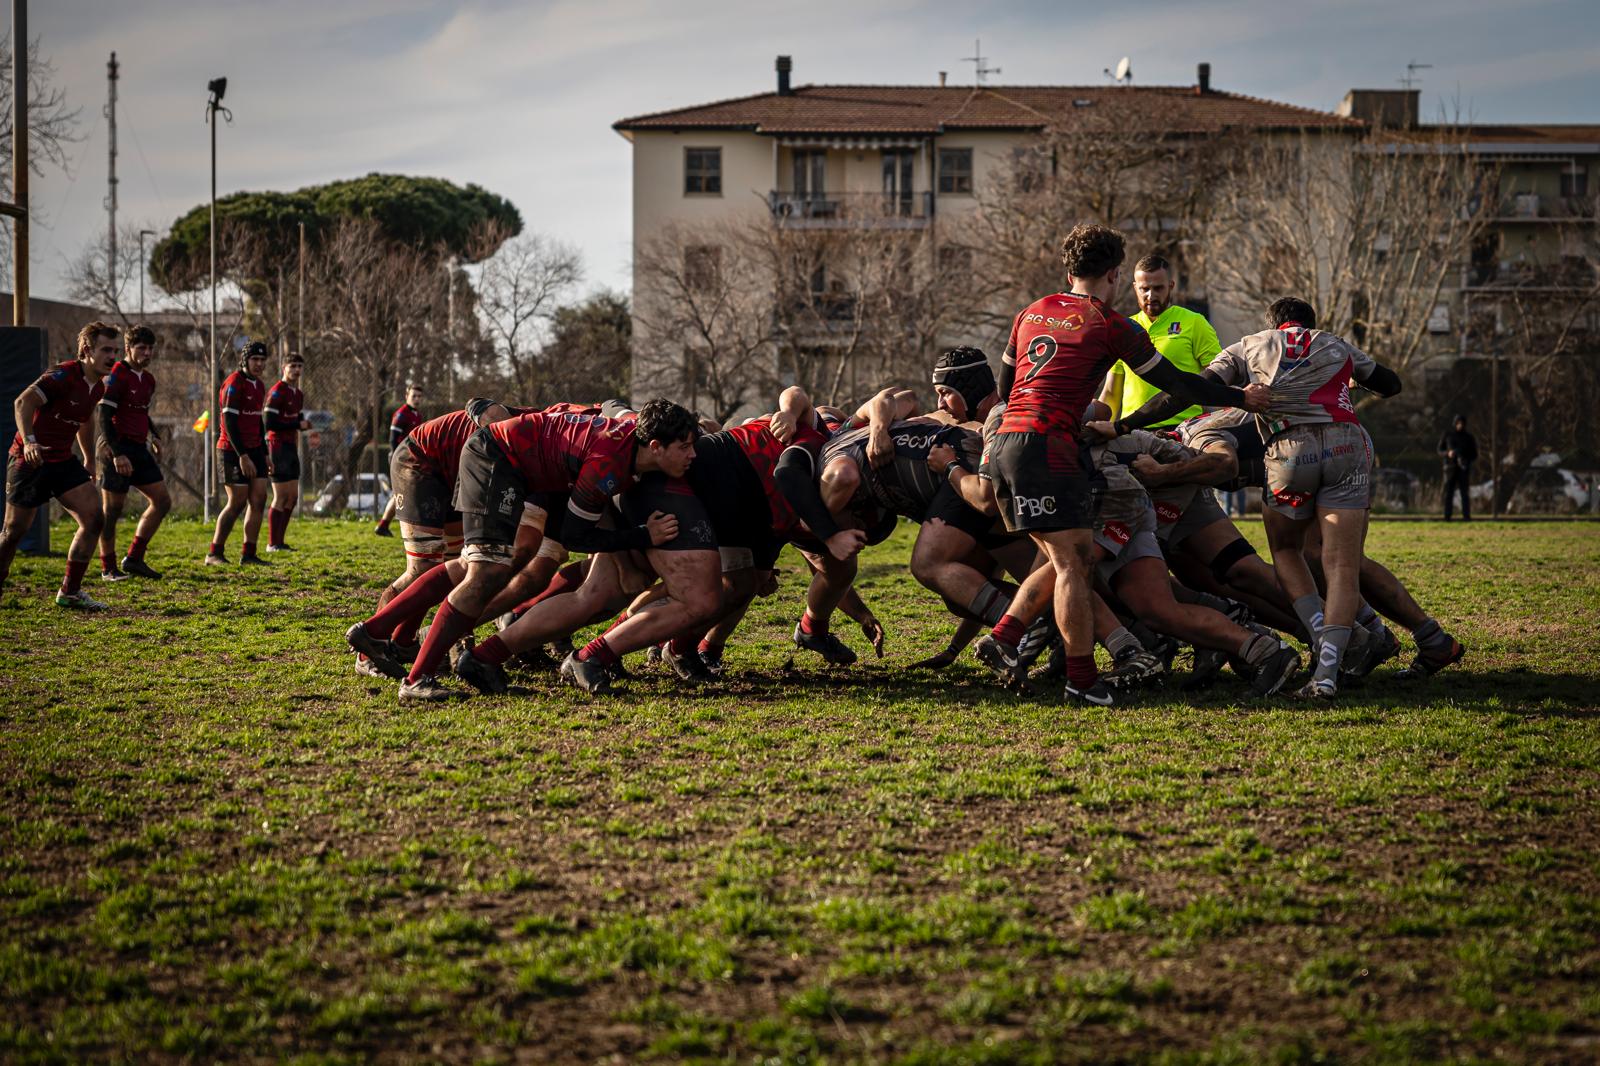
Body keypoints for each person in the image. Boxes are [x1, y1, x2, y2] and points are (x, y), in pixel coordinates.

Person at [979, 223, 1268, 705]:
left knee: (1060, 559)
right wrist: (1242, 396)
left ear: (1069, 271)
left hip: (1008, 443)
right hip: (1051, 448)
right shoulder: (1110, 324)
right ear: (1115, 274)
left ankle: (1009, 638)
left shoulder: (1032, 311)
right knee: (1073, 566)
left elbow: (1007, 388)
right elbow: (1181, 386)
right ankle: (1080, 679)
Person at [1198, 297, 1403, 699]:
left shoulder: (1251, 343)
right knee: (1342, 565)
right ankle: (1327, 674)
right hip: (1346, 444)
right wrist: (1352, 380)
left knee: (1286, 550)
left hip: (1291, 448)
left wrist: (1242, 396)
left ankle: (1319, 633)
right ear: (1311, 323)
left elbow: (1203, 383)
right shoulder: (1335, 343)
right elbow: (1390, 384)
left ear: (1272, 324)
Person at [0, 321, 120, 608]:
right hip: (30, 460)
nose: (112, 357)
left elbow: (84, 421)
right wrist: (29, 442)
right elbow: (22, 403)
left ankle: (70, 592)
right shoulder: (63, 375)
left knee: (94, 519)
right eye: (106, 350)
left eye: (115, 351)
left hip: (62, 460)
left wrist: (88, 458)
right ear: (87, 350)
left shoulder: (97, 387)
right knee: (13, 532)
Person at [1100, 253, 1224, 428]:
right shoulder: (1123, 328)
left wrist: (1217, 427)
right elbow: (1111, 392)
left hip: (1183, 429)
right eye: (1144, 289)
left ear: (1171, 286)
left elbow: (1217, 379)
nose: (1151, 295)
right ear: (1135, 287)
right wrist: (1101, 429)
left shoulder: (1195, 322)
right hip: (1131, 431)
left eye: (1158, 288)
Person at [95, 324, 170, 580]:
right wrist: (117, 453)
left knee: (162, 501)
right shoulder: (116, 374)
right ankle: (108, 567)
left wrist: (155, 435)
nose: (147, 353)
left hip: (139, 448)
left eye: (150, 348)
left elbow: (141, 412)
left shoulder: (148, 379)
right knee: (112, 511)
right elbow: (104, 416)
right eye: (141, 348)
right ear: (128, 348)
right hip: (116, 447)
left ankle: (134, 559)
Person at [207, 341, 271, 566]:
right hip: (232, 450)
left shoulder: (259, 385)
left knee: (259, 499)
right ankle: (214, 553)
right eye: (255, 359)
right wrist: (242, 455)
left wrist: (264, 453)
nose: (259, 364)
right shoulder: (234, 382)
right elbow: (229, 422)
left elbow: (258, 421)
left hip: (255, 449)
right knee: (237, 502)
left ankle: (249, 554)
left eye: (262, 360)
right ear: (245, 360)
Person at [264, 353, 311, 552]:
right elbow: (269, 423)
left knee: (292, 497)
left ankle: (280, 542)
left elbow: (297, 418)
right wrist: (297, 425)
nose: (297, 370)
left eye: (299, 366)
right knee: (281, 496)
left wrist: (305, 425)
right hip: (277, 446)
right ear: (284, 367)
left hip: (291, 446)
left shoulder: (298, 394)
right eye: (293, 366)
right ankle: (272, 543)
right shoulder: (277, 391)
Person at [375, 383, 425, 537]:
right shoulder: (401, 414)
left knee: (402, 493)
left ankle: (383, 525)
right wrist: (399, 460)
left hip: (411, 459)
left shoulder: (417, 415)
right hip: (401, 460)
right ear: (406, 396)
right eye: (413, 396)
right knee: (404, 492)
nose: (417, 399)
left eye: (419, 396)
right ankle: (412, 525)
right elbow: (393, 440)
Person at [1438, 413, 1477, 521]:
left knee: (1464, 493)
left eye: (1462, 423)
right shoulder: (1448, 435)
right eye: (1458, 423)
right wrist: (1448, 453)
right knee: (1448, 493)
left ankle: (1466, 516)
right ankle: (1447, 516)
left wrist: (1465, 459)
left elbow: (1474, 454)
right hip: (1450, 468)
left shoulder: (1468, 438)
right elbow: (1440, 450)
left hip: (1463, 469)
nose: (1460, 425)